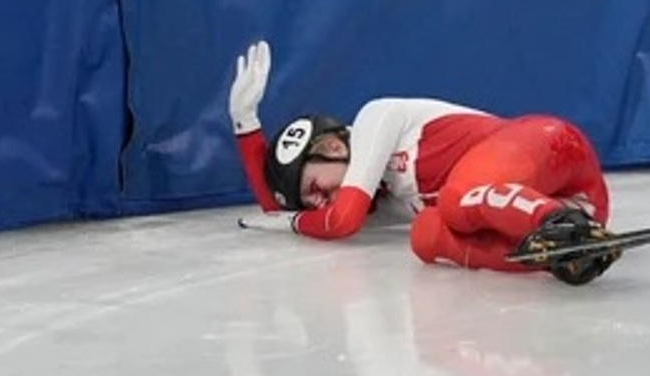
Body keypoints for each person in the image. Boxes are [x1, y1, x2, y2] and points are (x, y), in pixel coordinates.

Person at [227, 38, 629, 285]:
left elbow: (339, 222)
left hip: (552, 145)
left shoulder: (375, 118)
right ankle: (563, 253)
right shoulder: (381, 200)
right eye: (310, 203)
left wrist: (294, 222)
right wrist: (246, 125)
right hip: (583, 206)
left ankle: (555, 225)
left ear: (333, 148)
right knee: (427, 234)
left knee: (454, 200)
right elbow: (277, 212)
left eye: (315, 190)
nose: (317, 205)